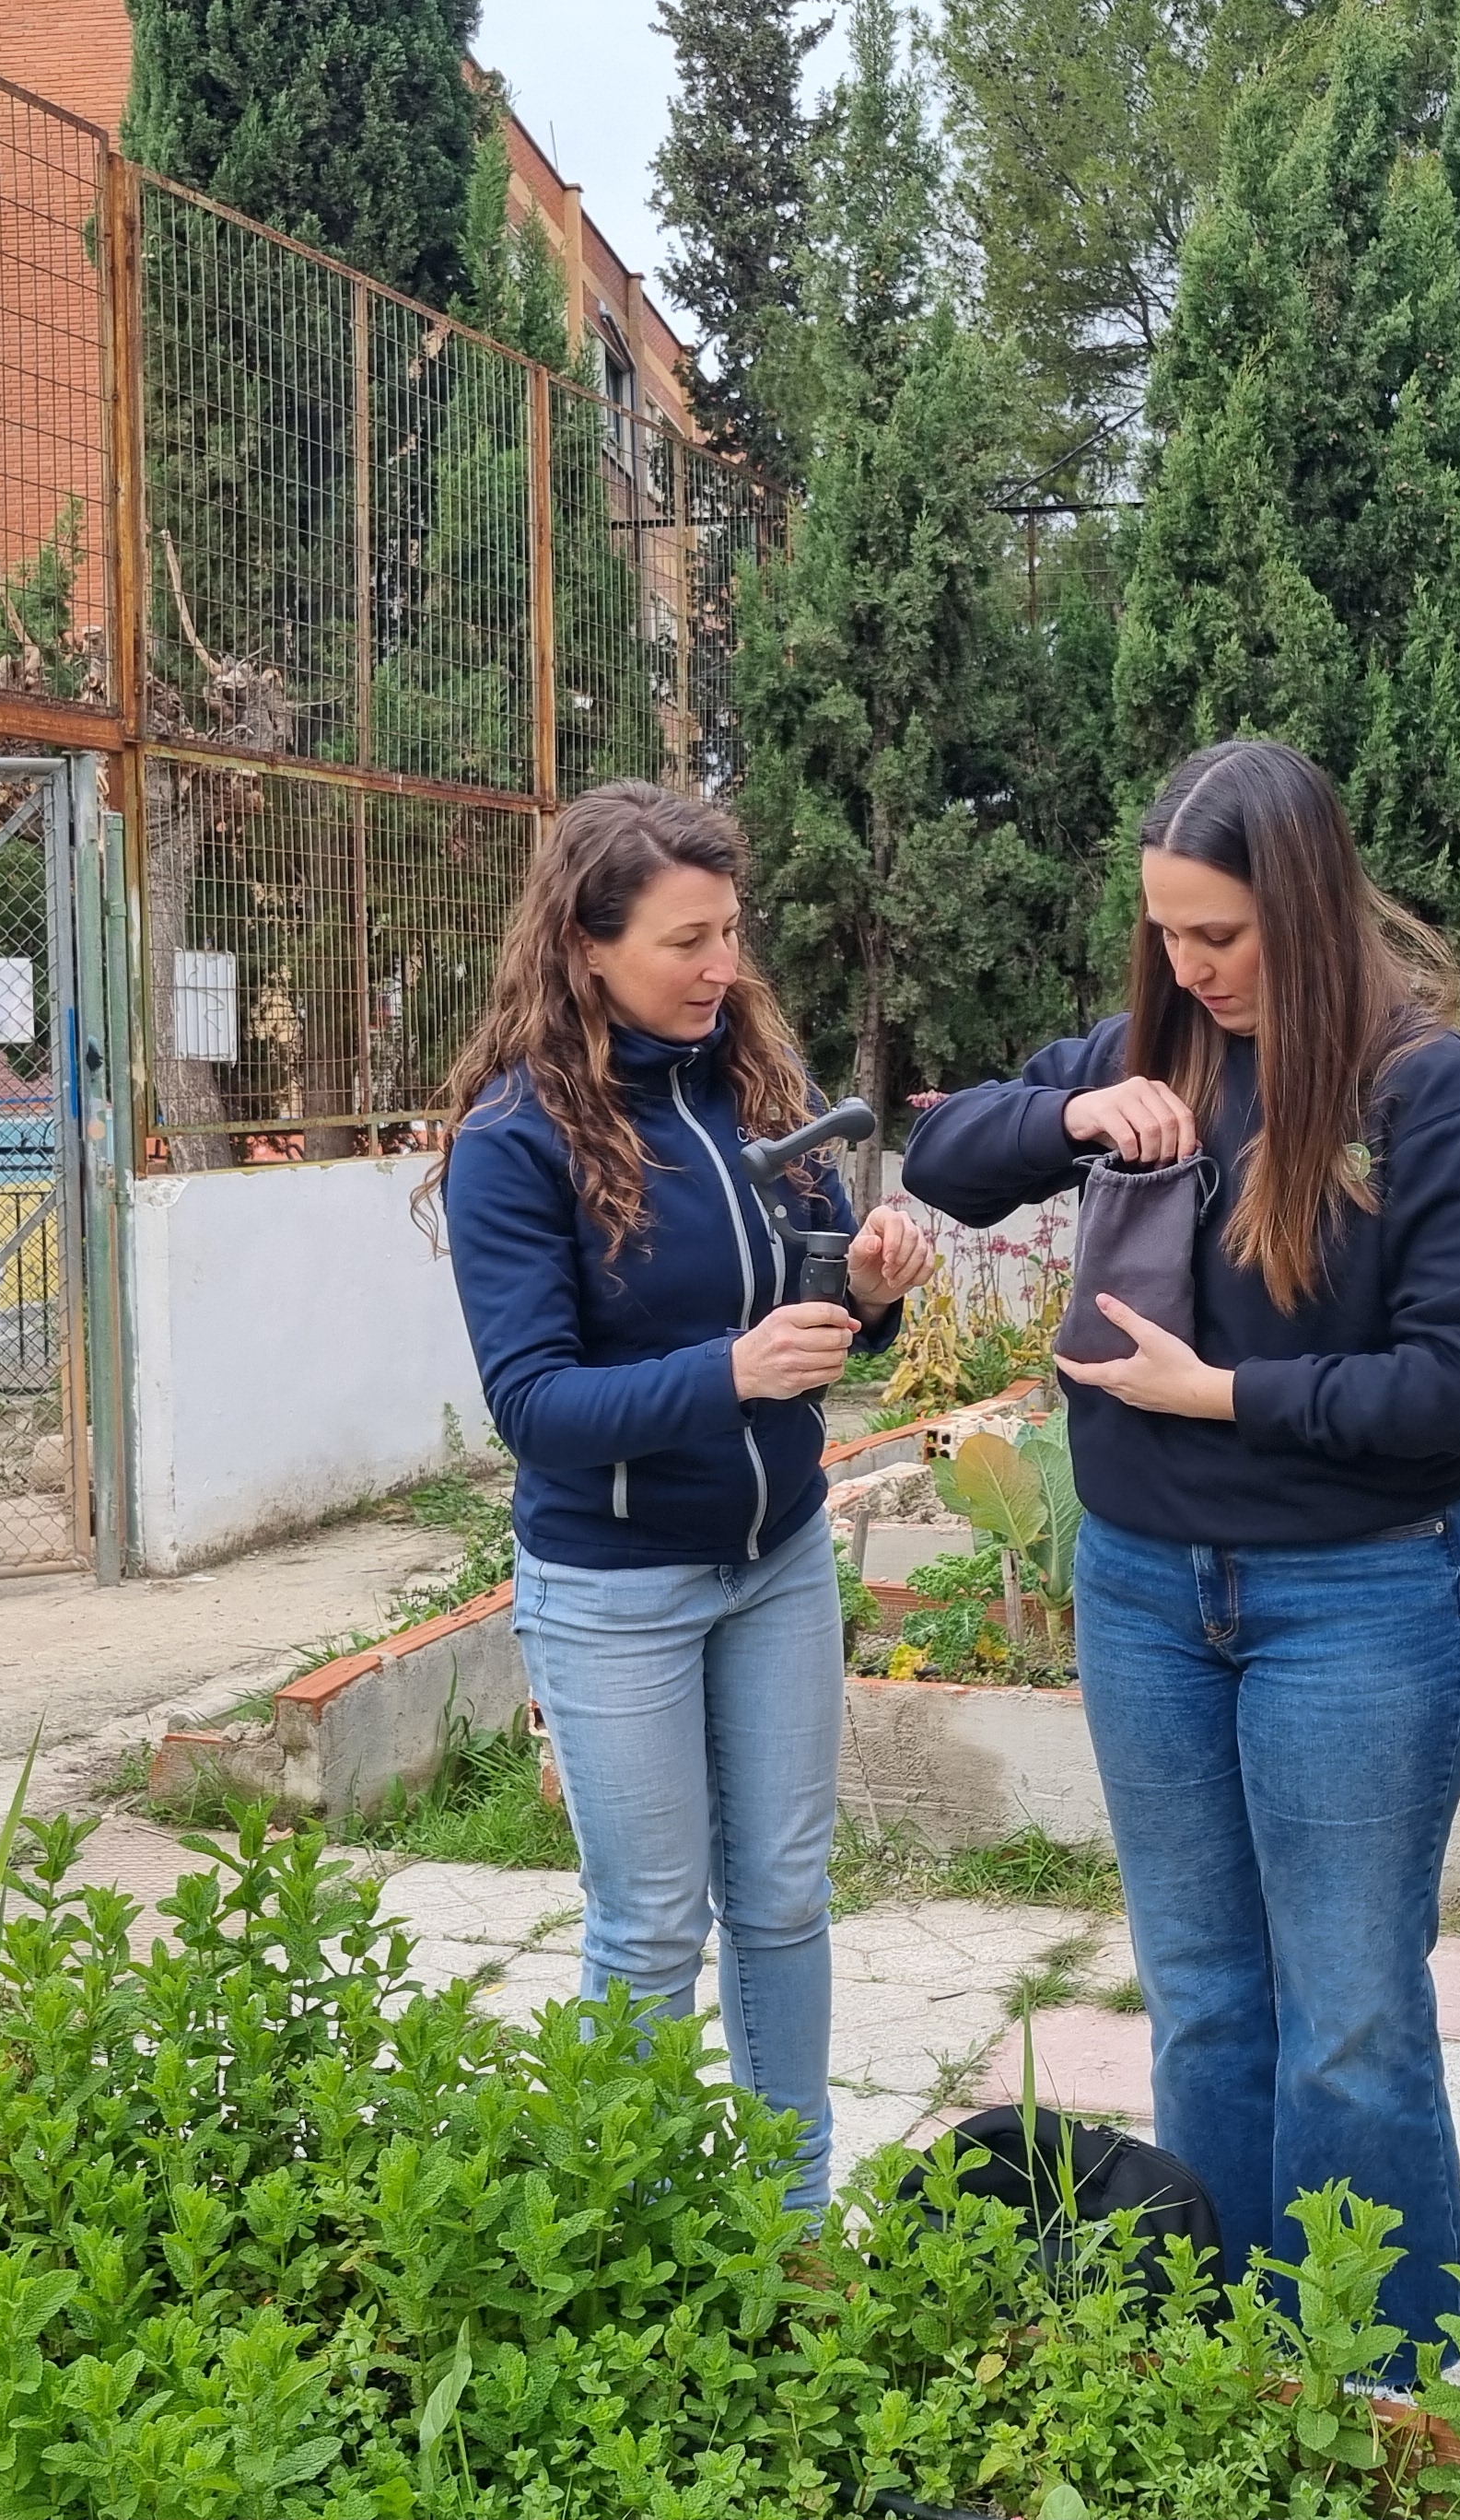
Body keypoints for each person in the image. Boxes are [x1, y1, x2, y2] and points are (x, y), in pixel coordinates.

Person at [901, 738, 1460, 2356]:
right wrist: (1069, 1108)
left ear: (1311, 910)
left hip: (1353, 1601)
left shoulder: (1423, 1097)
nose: (1191, 970)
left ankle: (1387, 2379)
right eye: (1169, 936)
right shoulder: (1157, 1053)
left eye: (1223, 937)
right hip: (1140, 1590)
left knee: (1348, 2023)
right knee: (1202, 1997)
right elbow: (940, 1160)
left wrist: (1229, 1394)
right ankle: (1224, 2360)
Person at [428, 780, 938, 2210]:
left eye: (731, 933)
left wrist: (872, 1295)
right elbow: (533, 1407)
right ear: (586, 947)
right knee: (650, 1929)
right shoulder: (516, 1140)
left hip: (775, 1557)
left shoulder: (747, 1091)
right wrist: (730, 1375)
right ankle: (636, 2225)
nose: (724, 969)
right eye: (686, 941)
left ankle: (791, 2211)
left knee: (781, 1901)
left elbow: (812, 1314)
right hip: (617, 1588)